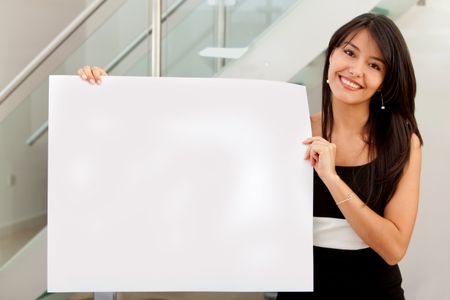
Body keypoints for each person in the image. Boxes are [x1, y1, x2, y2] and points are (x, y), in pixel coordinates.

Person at [78, 13, 422, 300]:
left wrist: (331, 178)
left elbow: (393, 248)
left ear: (385, 81)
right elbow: (179, 145)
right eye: (349, 52)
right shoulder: (289, 127)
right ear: (331, 55)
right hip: (298, 286)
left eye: (374, 65)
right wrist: (109, 97)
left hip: (375, 291)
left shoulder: (403, 142)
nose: (356, 70)